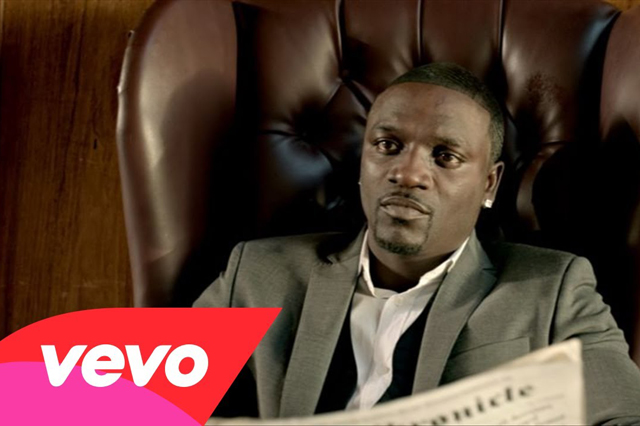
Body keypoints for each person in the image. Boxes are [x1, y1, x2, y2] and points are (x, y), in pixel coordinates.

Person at [194, 63, 640, 424]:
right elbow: (153, 407)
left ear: (489, 184)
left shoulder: (554, 290)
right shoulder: (256, 273)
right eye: (387, 145)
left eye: (445, 156)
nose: (407, 174)